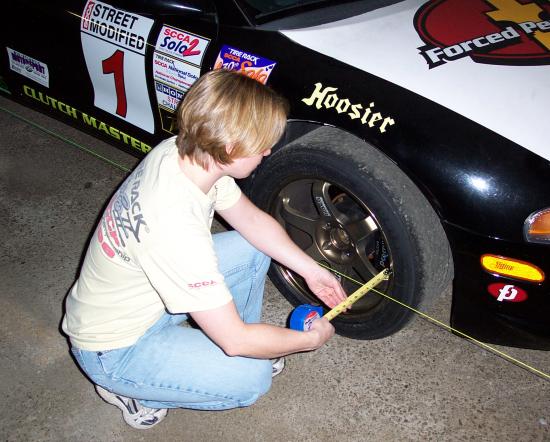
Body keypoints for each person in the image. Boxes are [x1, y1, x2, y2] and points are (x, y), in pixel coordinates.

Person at [62, 69, 347, 429]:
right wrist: (303, 341)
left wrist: (311, 269)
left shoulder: (185, 154)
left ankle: (238, 344)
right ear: (231, 147)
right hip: (115, 348)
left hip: (140, 299)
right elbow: (235, 341)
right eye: (262, 144)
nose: (268, 150)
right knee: (251, 378)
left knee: (252, 248)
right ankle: (132, 390)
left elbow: (253, 222)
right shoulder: (174, 225)